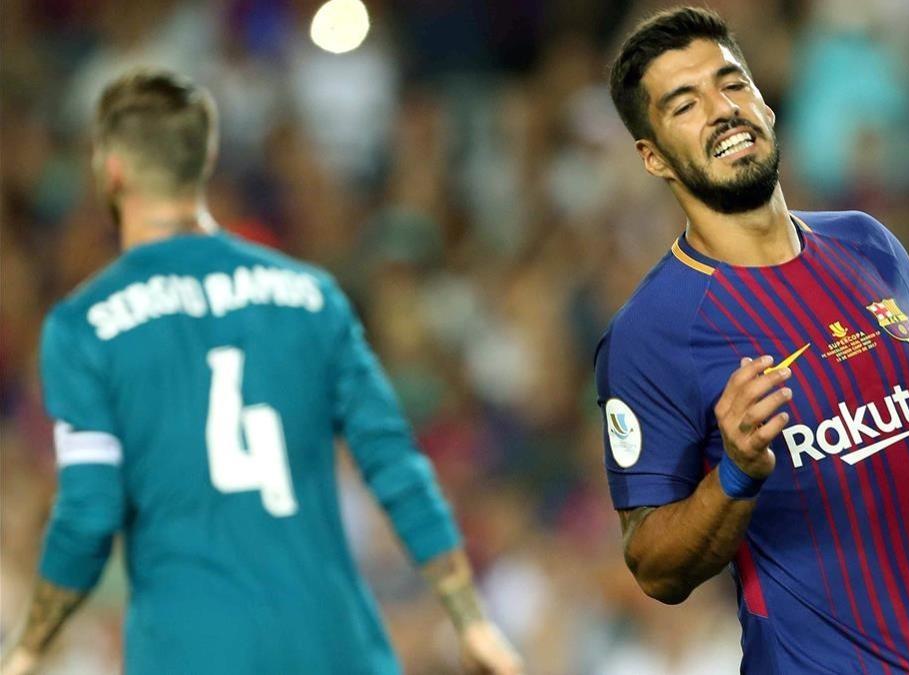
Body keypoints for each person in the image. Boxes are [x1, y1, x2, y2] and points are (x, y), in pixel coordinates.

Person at [597, 7, 909, 673]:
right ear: (652, 155)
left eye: (731, 84)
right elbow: (654, 564)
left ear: (766, 103)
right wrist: (734, 470)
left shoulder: (865, 242)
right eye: (685, 104)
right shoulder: (651, 332)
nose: (722, 110)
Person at [0, 69, 523, 675]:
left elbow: (88, 516)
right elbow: (395, 466)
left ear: (110, 169)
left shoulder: (84, 326)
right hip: (334, 647)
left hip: (191, 651)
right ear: (206, 159)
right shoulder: (311, 295)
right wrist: (471, 620)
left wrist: (28, 647)